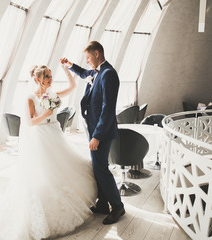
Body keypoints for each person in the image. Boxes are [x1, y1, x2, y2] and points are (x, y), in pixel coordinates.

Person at [0, 62, 97, 240]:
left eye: (51, 76)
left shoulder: (52, 93)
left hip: (55, 133)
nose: (51, 79)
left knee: (68, 165)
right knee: (47, 172)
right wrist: (47, 112)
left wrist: (67, 71)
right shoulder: (30, 98)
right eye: (47, 77)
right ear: (38, 79)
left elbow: (73, 87)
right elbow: (30, 122)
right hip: (41, 137)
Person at [60, 40, 125, 225]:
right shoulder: (97, 72)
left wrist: (97, 136)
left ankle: (118, 206)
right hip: (94, 128)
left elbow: (108, 109)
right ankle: (103, 204)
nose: (87, 61)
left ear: (97, 53)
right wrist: (70, 65)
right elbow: (83, 73)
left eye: (88, 57)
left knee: (101, 168)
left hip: (101, 131)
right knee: (97, 167)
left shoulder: (108, 74)